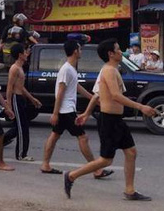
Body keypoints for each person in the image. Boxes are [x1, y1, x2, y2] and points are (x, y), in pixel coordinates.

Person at [65, 38, 157, 201]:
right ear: (110, 54)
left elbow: (97, 94)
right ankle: (71, 176)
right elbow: (115, 96)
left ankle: (130, 190)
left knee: (131, 152)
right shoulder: (108, 70)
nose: (122, 52)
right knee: (106, 160)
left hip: (117, 120)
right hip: (109, 120)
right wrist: (141, 107)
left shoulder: (113, 70)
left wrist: (86, 113)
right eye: (118, 49)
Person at [40, 40, 113, 179]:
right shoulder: (67, 69)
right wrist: (55, 113)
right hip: (66, 110)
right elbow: (60, 92)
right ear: (75, 51)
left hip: (65, 109)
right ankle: (96, 169)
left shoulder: (71, 69)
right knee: (83, 137)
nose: (81, 51)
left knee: (55, 135)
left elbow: (77, 87)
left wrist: (93, 99)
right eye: (80, 49)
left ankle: (45, 164)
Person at [4, 44, 42, 161]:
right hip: (15, 99)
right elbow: (10, 87)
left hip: (21, 99)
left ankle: (1, 140)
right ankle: (21, 154)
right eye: (25, 52)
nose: (27, 54)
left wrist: (32, 98)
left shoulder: (20, 68)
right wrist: (8, 105)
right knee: (22, 128)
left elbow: (21, 87)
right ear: (20, 55)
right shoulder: (14, 68)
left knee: (22, 126)